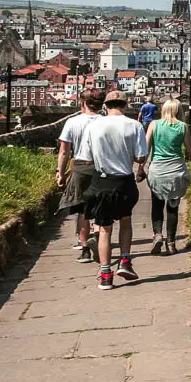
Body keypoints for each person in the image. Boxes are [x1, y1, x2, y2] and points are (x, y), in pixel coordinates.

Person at [75, 90, 148, 290]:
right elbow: (140, 157)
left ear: (105, 106)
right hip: (124, 181)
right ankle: (125, 261)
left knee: (104, 229)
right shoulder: (134, 125)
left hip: (101, 181)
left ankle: (106, 274)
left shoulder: (93, 125)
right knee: (125, 221)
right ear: (125, 105)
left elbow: (86, 157)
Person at [56, 89, 106, 263]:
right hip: (101, 168)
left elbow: (64, 151)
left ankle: (85, 249)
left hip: (80, 167)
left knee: (82, 210)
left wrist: (60, 173)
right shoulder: (106, 122)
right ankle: (99, 238)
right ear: (101, 104)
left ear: (83, 103)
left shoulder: (72, 122)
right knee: (100, 206)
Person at [144, 98, 191, 255]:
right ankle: (171, 243)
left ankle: (157, 235)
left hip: (158, 171)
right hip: (176, 171)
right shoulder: (183, 127)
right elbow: (190, 151)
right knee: (173, 208)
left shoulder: (154, 125)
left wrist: (141, 167)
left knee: (157, 204)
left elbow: (145, 149)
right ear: (179, 110)